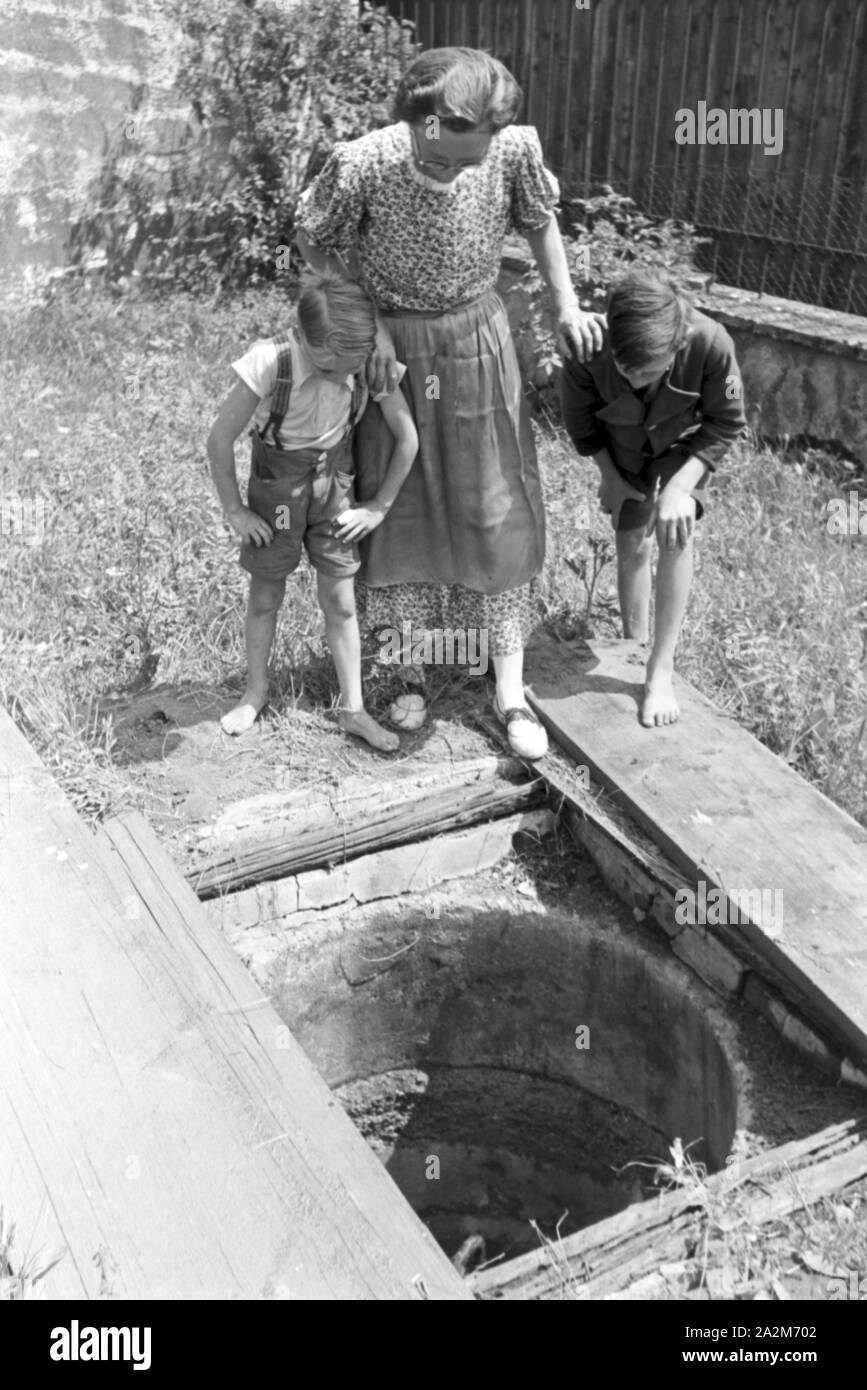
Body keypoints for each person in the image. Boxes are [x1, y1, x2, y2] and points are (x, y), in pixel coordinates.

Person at [295, 46, 605, 760]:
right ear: (425, 123)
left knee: (491, 501)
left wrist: (564, 302)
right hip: (392, 352)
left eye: (479, 159)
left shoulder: (510, 149)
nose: (468, 170)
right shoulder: (364, 163)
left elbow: (537, 219)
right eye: (453, 159)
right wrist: (364, 325)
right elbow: (314, 240)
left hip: (476, 343)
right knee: (396, 505)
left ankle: (507, 685)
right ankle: (406, 668)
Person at [206, 268, 418, 749]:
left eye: (348, 368)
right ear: (301, 336)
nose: (340, 376)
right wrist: (236, 512)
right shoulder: (269, 362)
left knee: (340, 601)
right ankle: (255, 693)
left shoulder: (364, 361)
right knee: (266, 594)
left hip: (335, 492)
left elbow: (407, 438)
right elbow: (219, 440)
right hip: (276, 496)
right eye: (327, 369)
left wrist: (379, 506)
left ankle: (353, 709)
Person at [560, 269, 747, 726]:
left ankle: (660, 668)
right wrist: (610, 479)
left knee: (675, 532)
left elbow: (727, 421)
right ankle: (633, 645)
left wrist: (681, 488)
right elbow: (581, 425)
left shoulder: (712, 343)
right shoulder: (588, 347)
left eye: (647, 372)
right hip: (622, 445)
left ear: (676, 343)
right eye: (625, 370)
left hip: (684, 447)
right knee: (630, 538)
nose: (634, 380)